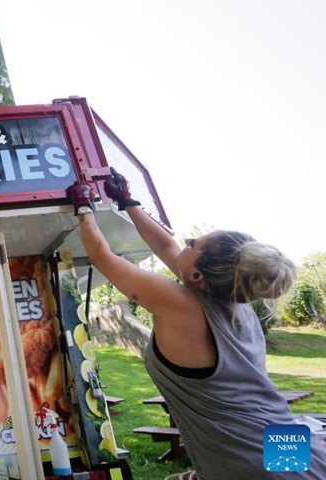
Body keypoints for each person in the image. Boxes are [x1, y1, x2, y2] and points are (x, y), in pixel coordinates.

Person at [68, 171, 326, 479]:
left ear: (197, 276)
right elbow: (167, 248)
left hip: (259, 464)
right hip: (288, 444)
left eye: (194, 243)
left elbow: (102, 256)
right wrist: (128, 202)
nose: (185, 242)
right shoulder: (238, 308)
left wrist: (84, 206)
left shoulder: (184, 307)